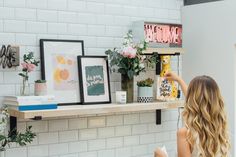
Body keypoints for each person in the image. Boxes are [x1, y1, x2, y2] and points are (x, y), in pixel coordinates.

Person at [155, 72, 230, 157]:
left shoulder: (185, 133)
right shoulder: (220, 128)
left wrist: (161, 155)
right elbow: (199, 102)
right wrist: (178, 80)